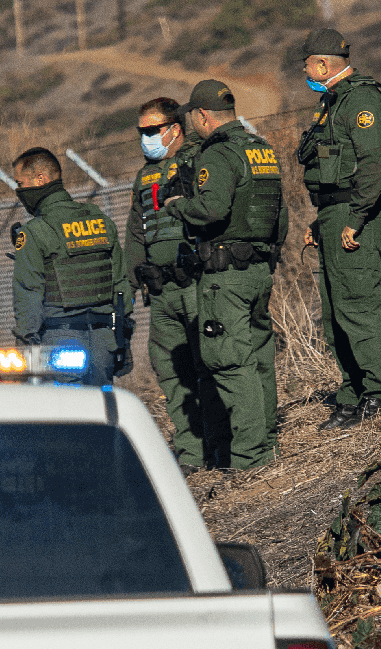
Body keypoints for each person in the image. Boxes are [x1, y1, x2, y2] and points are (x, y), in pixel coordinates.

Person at [164, 79, 287, 472]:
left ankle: (251, 459)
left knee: (230, 363)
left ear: (202, 115)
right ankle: (267, 447)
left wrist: (178, 205)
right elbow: (279, 214)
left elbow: (211, 210)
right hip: (258, 269)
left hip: (226, 276)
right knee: (259, 358)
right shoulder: (261, 149)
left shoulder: (217, 155)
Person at [296, 28, 381, 430]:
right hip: (334, 217)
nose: (304, 70)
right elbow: (332, 172)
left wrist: (355, 219)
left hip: (359, 217)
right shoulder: (332, 102)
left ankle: (379, 395)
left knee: (359, 305)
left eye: (306, 64)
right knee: (336, 313)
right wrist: (319, 223)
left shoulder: (363, 100)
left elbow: (374, 167)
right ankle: (352, 394)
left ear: (322, 64)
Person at [126, 97, 227, 475]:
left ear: (175, 129)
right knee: (170, 370)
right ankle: (190, 452)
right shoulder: (143, 177)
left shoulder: (199, 160)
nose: (146, 138)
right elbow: (136, 233)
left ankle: (220, 447)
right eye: (141, 132)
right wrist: (132, 281)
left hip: (197, 284)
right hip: (162, 290)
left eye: (152, 130)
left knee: (209, 365)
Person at [11, 147, 133, 385]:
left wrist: (25, 346)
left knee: (68, 416)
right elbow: (121, 284)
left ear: (40, 180)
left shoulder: (35, 232)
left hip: (61, 343)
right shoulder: (100, 222)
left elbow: (29, 293)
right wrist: (124, 337)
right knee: (101, 414)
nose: (19, 191)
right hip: (104, 341)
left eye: (20, 183)